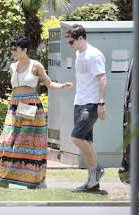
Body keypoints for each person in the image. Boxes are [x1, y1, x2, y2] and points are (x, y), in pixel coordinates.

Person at [0, 36, 73, 189]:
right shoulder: (13, 67)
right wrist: (10, 107)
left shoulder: (36, 65)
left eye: (15, 49)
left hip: (31, 108)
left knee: (29, 144)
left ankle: (35, 181)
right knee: (6, 141)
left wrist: (63, 86)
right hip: (14, 107)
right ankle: (3, 178)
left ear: (25, 50)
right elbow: (14, 89)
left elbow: (49, 83)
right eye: (11, 49)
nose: (12, 52)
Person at [65, 24, 107, 191]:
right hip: (79, 102)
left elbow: (102, 78)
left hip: (91, 103)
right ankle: (93, 182)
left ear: (81, 38)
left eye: (71, 42)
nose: (70, 45)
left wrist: (101, 103)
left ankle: (97, 170)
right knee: (86, 140)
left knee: (76, 137)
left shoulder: (94, 55)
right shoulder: (78, 53)